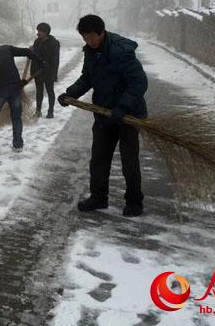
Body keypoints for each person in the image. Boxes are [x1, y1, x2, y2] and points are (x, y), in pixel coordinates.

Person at [58, 14, 148, 217]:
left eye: (91, 37)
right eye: (84, 38)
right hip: (103, 114)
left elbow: (139, 83)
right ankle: (99, 197)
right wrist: (71, 93)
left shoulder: (121, 51)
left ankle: (134, 202)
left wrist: (123, 107)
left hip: (128, 115)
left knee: (129, 161)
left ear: (102, 32)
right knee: (98, 158)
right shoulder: (90, 52)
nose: (88, 42)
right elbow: (87, 77)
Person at [0, 39, 44, 152]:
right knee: (16, 118)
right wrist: (41, 61)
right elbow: (27, 52)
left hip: (0, 89)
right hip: (15, 88)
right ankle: (18, 145)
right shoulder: (6, 48)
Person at [30, 22, 60, 119]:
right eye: (37, 31)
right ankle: (38, 111)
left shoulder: (54, 43)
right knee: (39, 92)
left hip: (48, 72)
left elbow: (55, 60)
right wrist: (31, 51)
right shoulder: (37, 41)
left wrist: (53, 73)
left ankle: (50, 111)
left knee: (50, 91)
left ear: (46, 32)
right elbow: (34, 57)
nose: (38, 33)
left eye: (40, 31)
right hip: (38, 71)